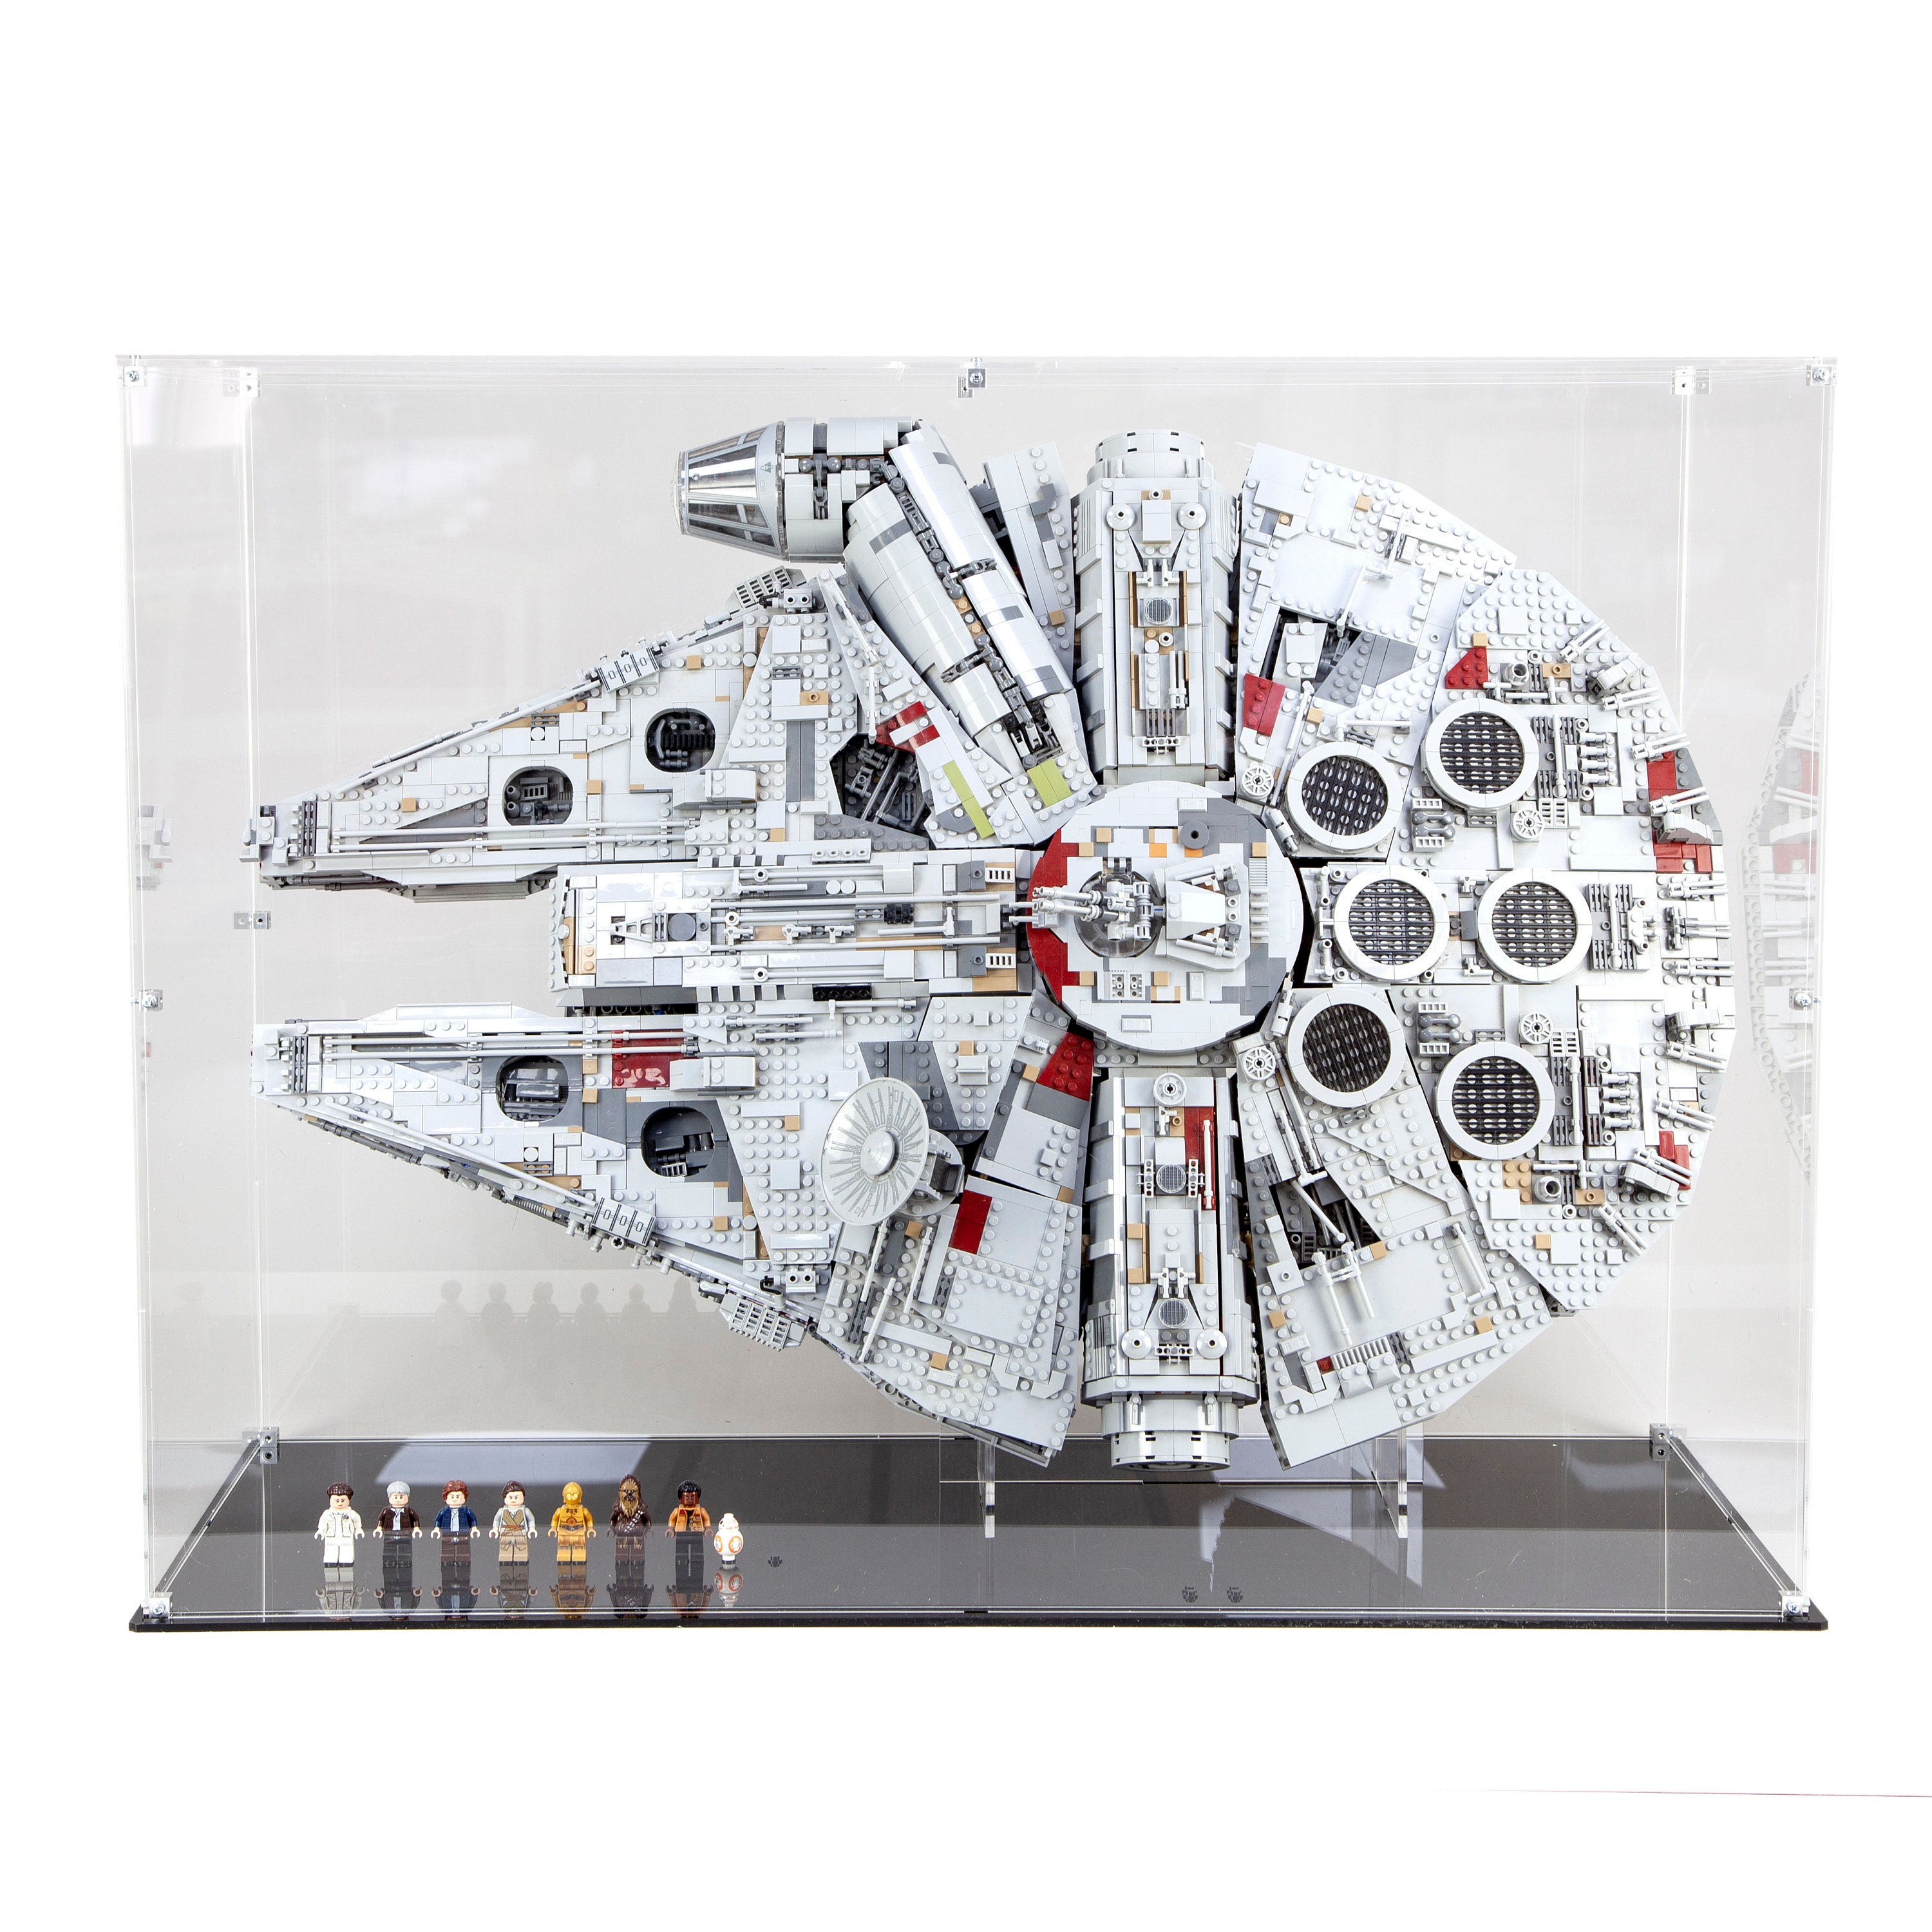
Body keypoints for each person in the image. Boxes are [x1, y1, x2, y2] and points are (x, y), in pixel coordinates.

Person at [665, 1482, 711, 1593]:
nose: (690, 1500)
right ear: (681, 1498)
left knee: (697, 1555)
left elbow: (706, 1519)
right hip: (682, 1533)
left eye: (693, 1497)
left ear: (698, 1497)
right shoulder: (677, 1511)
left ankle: (696, 1563)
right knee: (681, 1555)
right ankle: (682, 1562)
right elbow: (672, 1519)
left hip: (697, 1533)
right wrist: (671, 1529)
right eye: (687, 1497)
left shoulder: (701, 1510)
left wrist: (708, 1529)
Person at [548, 1481, 597, 1568]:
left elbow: (589, 1520)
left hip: (579, 1533)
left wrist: (590, 1529)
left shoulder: (583, 1511)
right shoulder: (560, 1511)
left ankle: (579, 1559)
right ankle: (564, 1558)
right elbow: (555, 1519)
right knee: (563, 1549)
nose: (571, 1498)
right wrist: (553, 1529)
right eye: (568, 1495)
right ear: (564, 1496)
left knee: (579, 1549)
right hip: (564, 1533)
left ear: (579, 1496)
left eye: (574, 1495)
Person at [314, 1482, 362, 1564]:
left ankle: (346, 1562)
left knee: (346, 1554)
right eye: (337, 1500)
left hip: (346, 1537)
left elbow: (357, 1520)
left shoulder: (351, 1514)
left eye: (343, 1500)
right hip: (331, 1537)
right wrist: (320, 1531)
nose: (340, 1503)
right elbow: (322, 1522)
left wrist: (358, 1529)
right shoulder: (327, 1514)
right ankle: (331, 1561)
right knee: (331, 1553)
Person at [491, 1481, 537, 1564]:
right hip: (505, 1534)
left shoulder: (525, 1511)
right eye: (510, 1497)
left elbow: (531, 1520)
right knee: (505, 1550)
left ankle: (521, 1560)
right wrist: (495, 1529)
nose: (513, 1500)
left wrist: (532, 1529)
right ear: (505, 1498)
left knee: (521, 1550)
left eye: (516, 1497)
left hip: (520, 1533)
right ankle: (505, 1560)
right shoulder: (502, 1511)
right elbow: (497, 1520)